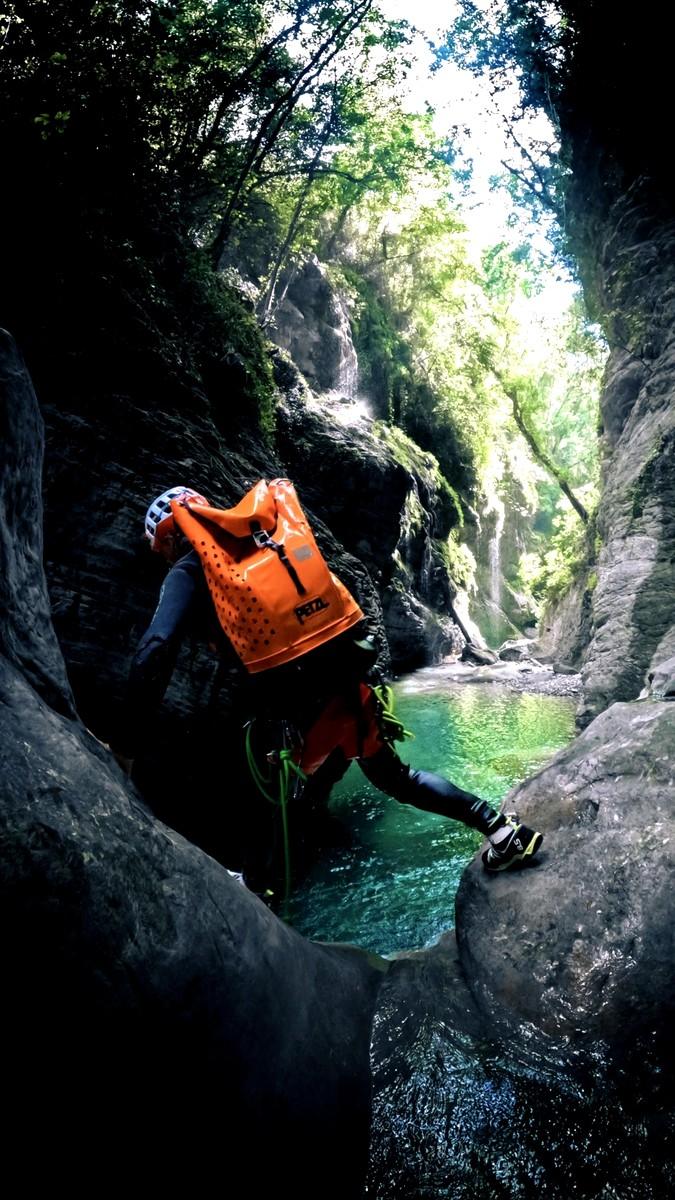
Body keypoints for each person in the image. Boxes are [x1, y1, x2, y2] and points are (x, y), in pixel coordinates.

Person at [113, 485, 543, 883]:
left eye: (162, 549)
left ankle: (256, 896)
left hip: (292, 716)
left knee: (259, 795)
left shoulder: (190, 570)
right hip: (350, 688)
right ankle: (503, 831)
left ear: (169, 539)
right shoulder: (264, 544)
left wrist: (125, 747)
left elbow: (155, 649)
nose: (165, 557)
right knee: (401, 779)